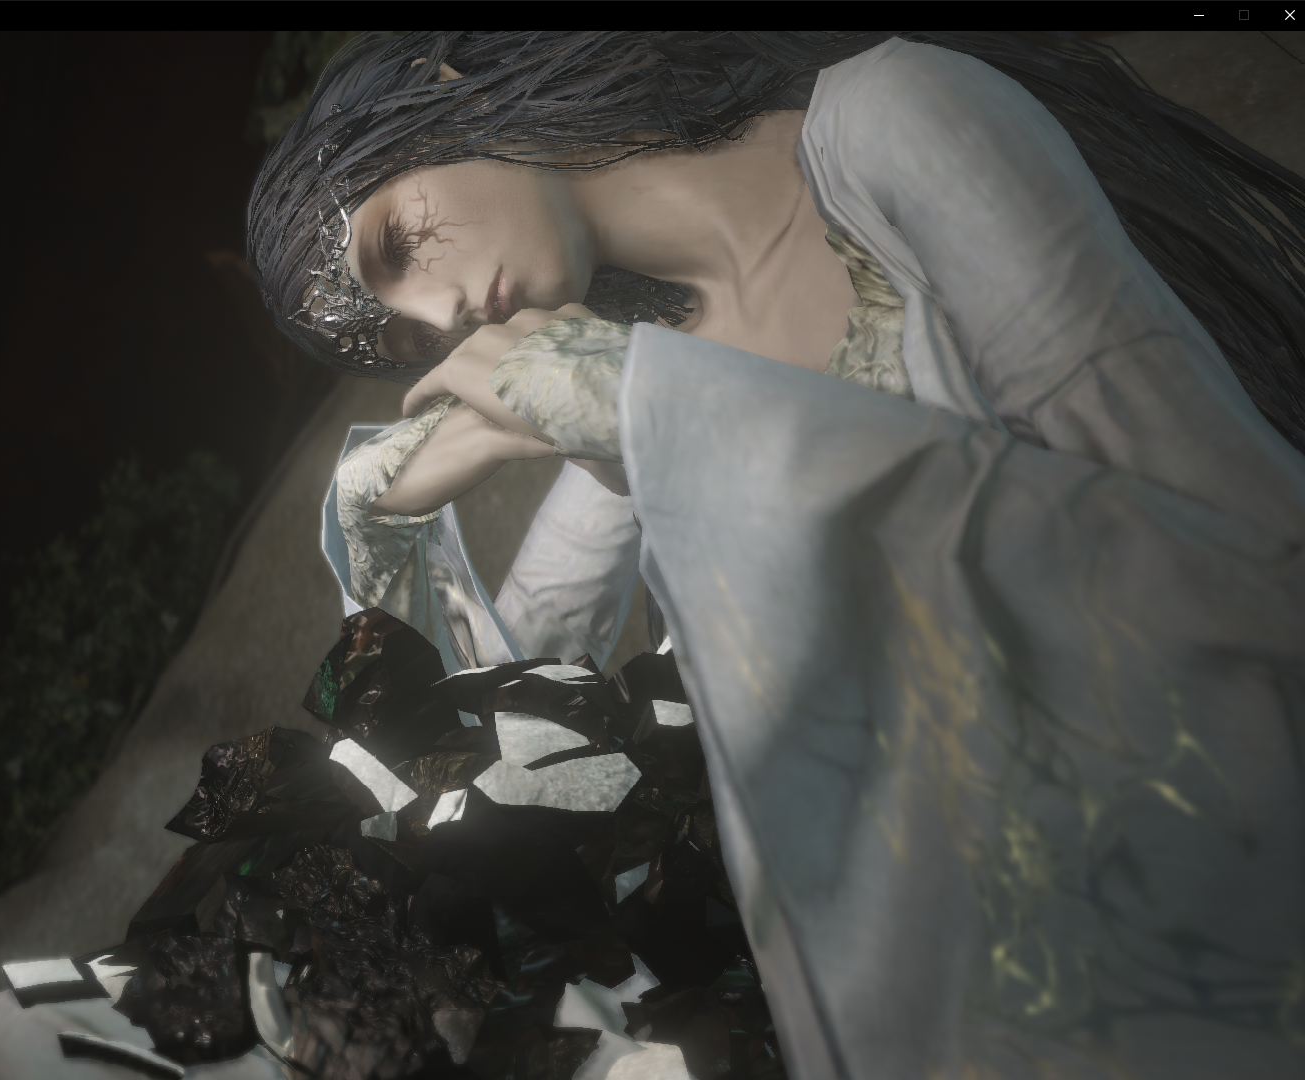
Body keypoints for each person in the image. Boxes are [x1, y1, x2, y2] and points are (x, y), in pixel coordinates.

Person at [243, 31, 1305, 1080]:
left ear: (447, 89)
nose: (439, 312)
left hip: (1178, 883)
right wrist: (381, 537)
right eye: (406, 339)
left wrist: (654, 411)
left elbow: (1253, 567)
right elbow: (511, 722)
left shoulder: (897, 123)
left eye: (396, 245)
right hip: (922, 973)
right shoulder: (625, 369)